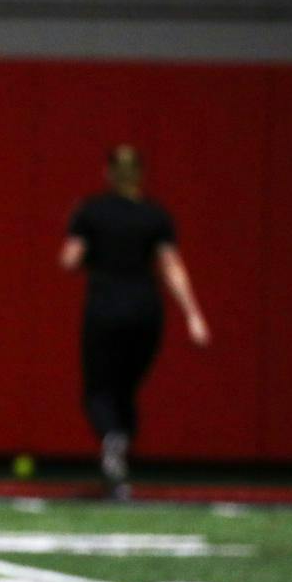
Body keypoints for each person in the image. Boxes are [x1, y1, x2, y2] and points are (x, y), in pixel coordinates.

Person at [59, 144, 210, 498]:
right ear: (140, 175)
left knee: (98, 388)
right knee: (126, 387)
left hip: (106, 308)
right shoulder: (154, 216)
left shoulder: (92, 211)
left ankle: (112, 439)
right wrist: (193, 315)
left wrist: (84, 245)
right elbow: (172, 267)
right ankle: (121, 445)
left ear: (109, 174)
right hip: (146, 310)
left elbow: (69, 259)